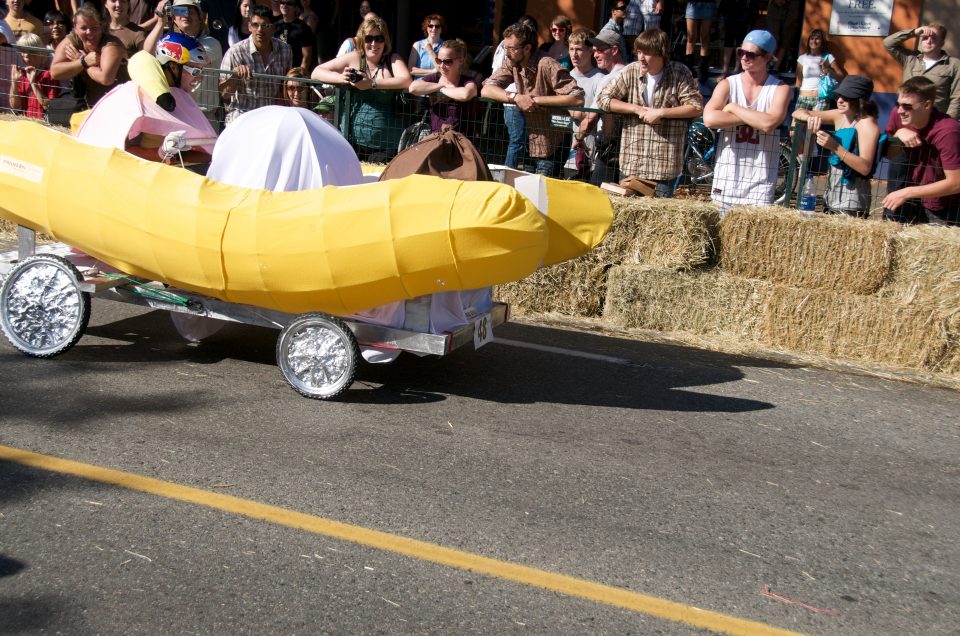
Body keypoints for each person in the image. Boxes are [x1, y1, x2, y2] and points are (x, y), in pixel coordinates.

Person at [596, 27, 702, 195]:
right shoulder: (631, 71)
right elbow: (603, 99)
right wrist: (635, 108)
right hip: (632, 160)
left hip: (664, 163)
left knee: (659, 217)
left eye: (646, 53)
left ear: (662, 53)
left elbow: (695, 107)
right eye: (639, 52)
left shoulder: (679, 73)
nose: (641, 58)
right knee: (629, 216)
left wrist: (661, 112)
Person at [703, 30, 791, 214]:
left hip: (760, 179)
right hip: (727, 176)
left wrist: (734, 108)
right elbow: (710, 119)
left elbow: (769, 123)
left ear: (767, 57)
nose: (744, 57)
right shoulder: (728, 84)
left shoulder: (780, 88)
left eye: (750, 54)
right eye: (740, 52)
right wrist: (756, 118)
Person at [482, 21, 584, 177]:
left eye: (512, 48)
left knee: (544, 194)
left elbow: (577, 98)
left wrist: (535, 100)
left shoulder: (547, 64)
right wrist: (516, 97)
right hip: (530, 143)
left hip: (553, 142)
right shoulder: (512, 63)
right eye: (505, 48)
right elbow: (486, 89)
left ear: (527, 48)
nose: (507, 53)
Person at [311, 15, 410, 161]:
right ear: (362, 40)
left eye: (379, 38)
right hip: (352, 141)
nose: (374, 44)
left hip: (387, 144)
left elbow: (406, 80)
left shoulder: (392, 59)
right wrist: (341, 78)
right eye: (369, 39)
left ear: (386, 40)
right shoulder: (355, 58)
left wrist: (371, 83)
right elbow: (316, 72)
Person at [792, 75, 880, 218]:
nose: (839, 100)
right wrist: (810, 118)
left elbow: (865, 168)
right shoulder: (839, 115)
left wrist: (835, 147)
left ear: (860, 100)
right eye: (839, 95)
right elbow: (797, 112)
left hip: (852, 202)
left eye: (846, 97)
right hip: (830, 198)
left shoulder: (867, 124)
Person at [881, 76, 960, 226]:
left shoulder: (948, 131)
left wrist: (908, 192)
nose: (900, 111)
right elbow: (889, 154)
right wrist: (898, 135)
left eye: (907, 106)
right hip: (907, 200)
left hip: (943, 206)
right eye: (898, 104)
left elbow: (956, 183)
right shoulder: (897, 116)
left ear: (927, 105)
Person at [219, 4, 291, 125]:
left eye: (265, 25)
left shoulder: (285, 50)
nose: (260, 30)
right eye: (255, 25)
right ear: (249, 27)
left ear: (273, 28)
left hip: (271, 116)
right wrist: (235, 76)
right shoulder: (235, 52)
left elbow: (285, 87)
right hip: (243, 115)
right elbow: (224, 94)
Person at [50, 3, 125, 107]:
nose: (89, 33)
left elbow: (106, 78)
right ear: (75, 28)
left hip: (118, 104)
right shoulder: (73, 40)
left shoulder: (111, 45)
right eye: (83, 28)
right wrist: (83, 62)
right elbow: (54, 72)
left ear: (101, 27)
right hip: (91, 106)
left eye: (94, 28)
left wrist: (84, 63)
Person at [408, 37, 480, 143]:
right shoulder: (434, 78)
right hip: (436, 140)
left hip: (461, 143)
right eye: (438, 60)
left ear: (461, 61)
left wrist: (442, 90)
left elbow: (466, 94)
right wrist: (441, 87)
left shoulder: (467, 81)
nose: (441, 66)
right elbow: (413, 87)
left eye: (447, 62)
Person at [883, 23, 960, 120]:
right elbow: (888, 43)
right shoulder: (910, 59)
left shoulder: (954, 65)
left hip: (935, 120)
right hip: (907, 117)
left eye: (933, 38)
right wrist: (914, 32)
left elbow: (957, 97)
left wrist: (948, 122)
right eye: (925, 38)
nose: (928, 41)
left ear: (941, 43)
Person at [581, 28, 627, 184]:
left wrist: (578, 137)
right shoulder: (628, 72)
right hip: (626, 146)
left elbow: (592, 115)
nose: (595, 54)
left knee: (596, 195)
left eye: (600, 50)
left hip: (609, 149)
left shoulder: (609, 79)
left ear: (614, 50)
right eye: (594, 51)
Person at [490, 13, 537, 169]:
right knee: (517, 140)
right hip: (510, 100)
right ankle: (507, 174)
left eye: (531, 27)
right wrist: (514, 96)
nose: (508, 52)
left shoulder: (541, 60)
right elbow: (491, 79)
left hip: (531, 103)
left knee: (531, 141)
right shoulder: (507, 49)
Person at [562, 28, 603, 179]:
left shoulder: (599, 78)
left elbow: (596, 114)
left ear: (591, 51)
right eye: (571, 49)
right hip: (565, 148)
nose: (574, 54)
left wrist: (579, 113)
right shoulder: (565, 77)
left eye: (579, 49)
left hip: (589, 148)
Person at [9, 32, 58, 118]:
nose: (26, 55)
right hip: (25, 124)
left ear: (41, 53)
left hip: (42, 125)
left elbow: (49, 107)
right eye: (23, 51)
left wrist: (33, 83)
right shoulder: (22, 75)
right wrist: (14, 82)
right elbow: (14, 106)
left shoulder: (48, 75)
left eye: (31, 51)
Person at [795, 29, 844, 112]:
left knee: (815, 124)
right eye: (812, 38)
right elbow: (799, 81)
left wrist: (827, 70)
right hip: (803, 97)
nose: (814, 41)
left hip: (821, 98)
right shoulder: (802, 58)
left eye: (817, 39)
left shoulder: (828, 57)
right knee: (797, 123)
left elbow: (841, 77)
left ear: (822, 42)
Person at [275, 0, 314, 72]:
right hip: (277, 72)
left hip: (295, 73)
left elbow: (307, 57)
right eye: (282, 2)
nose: (285, 5)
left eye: (289, 3)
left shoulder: (304, 28)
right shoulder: (275, 26)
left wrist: (300, 77)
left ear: (295, 7)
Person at [766, 0, 802, 73]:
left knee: (787, 36)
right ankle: (767, 65)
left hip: (792, 5)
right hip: (774, 5)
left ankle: (775, 67)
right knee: (773, 36)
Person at [718, 0, 750, 79]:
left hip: (743, 11)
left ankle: (737, 69)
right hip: (729, 11)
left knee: (740, 42)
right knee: (728, 41)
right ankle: (725, 70)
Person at [684, 0, 715, 82]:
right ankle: (688, 68)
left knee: (705, 37)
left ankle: (703, 69)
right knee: (691, 37)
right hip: (692, 4)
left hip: (708, 4)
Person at [407, 13, 443, 77]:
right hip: (420, 84)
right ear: (426, 28)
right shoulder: (417, 45)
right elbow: (411, 69)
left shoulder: (446, 45)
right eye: (430, 26)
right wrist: (433, 71)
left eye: (437, 26)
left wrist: (430, 51)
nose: (434, 28)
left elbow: (441, 69)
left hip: (438, 83)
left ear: (441, 29)